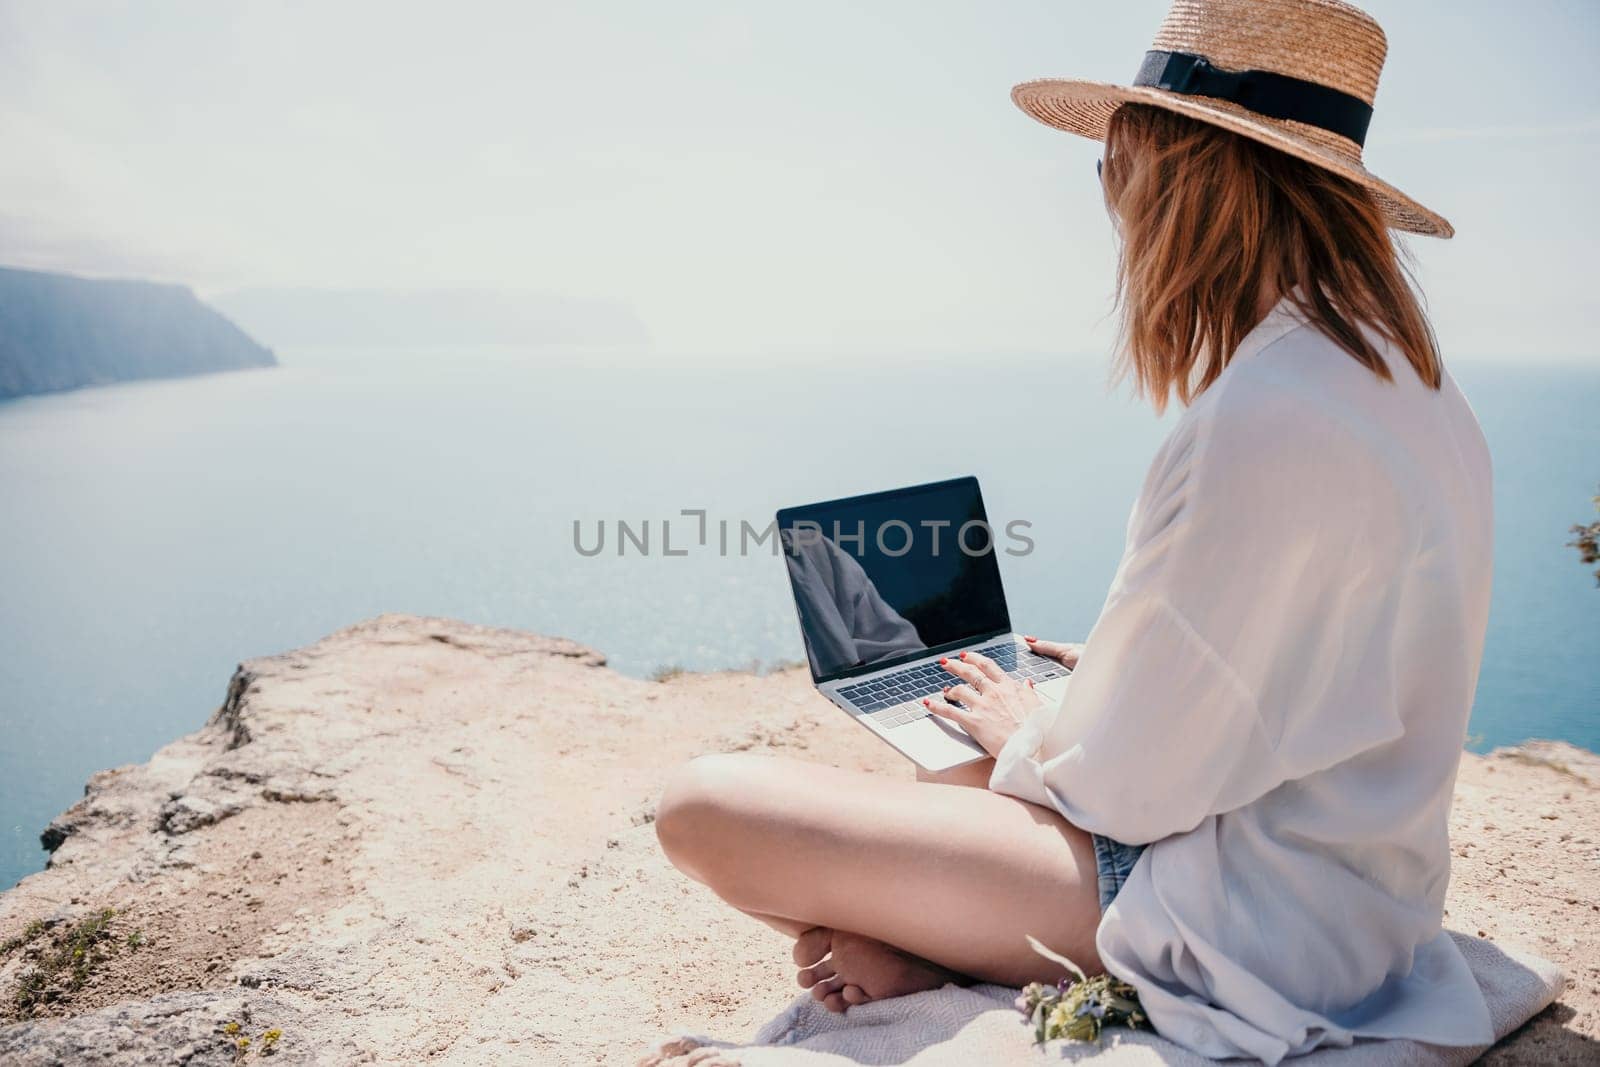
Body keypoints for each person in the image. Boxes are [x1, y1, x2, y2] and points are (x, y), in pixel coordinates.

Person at [654, 0, 1496, 1060]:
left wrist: (1040, 733)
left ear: (1179, 176)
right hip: (1352, 893)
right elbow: (1305, 670)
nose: (1108, 196)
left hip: (1242, 920)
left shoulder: (1264, 414)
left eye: (1111, 164)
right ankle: (927, 944)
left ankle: (939, 948)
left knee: (708, 806)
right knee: (959, 746)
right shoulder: (1397, 378)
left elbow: (1133, 788)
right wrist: (1093, 691)